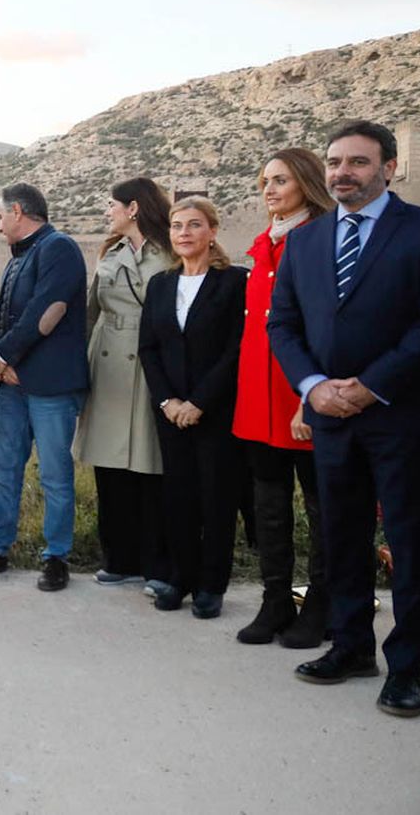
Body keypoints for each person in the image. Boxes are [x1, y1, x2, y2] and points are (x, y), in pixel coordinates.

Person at [269, 120, 420, 718]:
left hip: (410, 417)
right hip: (330, 417)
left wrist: (372, 386)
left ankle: (407, 667)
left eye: (357, 161)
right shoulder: (305, 241)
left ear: (389, 167)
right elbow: (284, 325)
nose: (341, 172)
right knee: (342, 538)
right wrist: (313, 385)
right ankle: (351, 647)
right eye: (333, 162)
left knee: (411, 542)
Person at [231, 148, 334, 647]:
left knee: (321, 508)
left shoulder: (323, 238)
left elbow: (327, 329)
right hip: (258, 400)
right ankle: (275, 602)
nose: (270, 190)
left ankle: (321, 604)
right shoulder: (262, 244)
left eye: (281, 181)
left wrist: (307, 399)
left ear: (306, 183)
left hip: (302, 398)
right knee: (269, 504)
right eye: (265, 181)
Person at [0, 183, 89, 591]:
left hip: (50, 388)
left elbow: (45, 314)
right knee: (4, 469)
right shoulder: (18, 258)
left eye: (0, 216)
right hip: (13, 386)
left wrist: (4, 358)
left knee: (54, 474)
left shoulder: (59, 248)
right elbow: (0, 316)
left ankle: (56, 557)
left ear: (18, 211)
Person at [137, 197, 248, 619]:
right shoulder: (161, 285)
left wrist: (200, 402)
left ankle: (211, 585)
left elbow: (236, 349)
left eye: (194, 225)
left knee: (217, 498)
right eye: (177, 225)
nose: (184, 233)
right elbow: (149, 347)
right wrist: (168, 400)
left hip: (216, 412)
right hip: (170, 413)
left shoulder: (235, 281)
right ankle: (181, 577)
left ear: (213, 231)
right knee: (178, 497)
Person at [74, 178, 175, 590]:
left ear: (133, 208)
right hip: (108, 362)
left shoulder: (170, 251)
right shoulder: (110, 253)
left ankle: (156, 561)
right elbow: (90, 312)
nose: (107, 212)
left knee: (151, 467)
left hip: (153, 359)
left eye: (111, 205)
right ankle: (119, 557)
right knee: (110, 466)